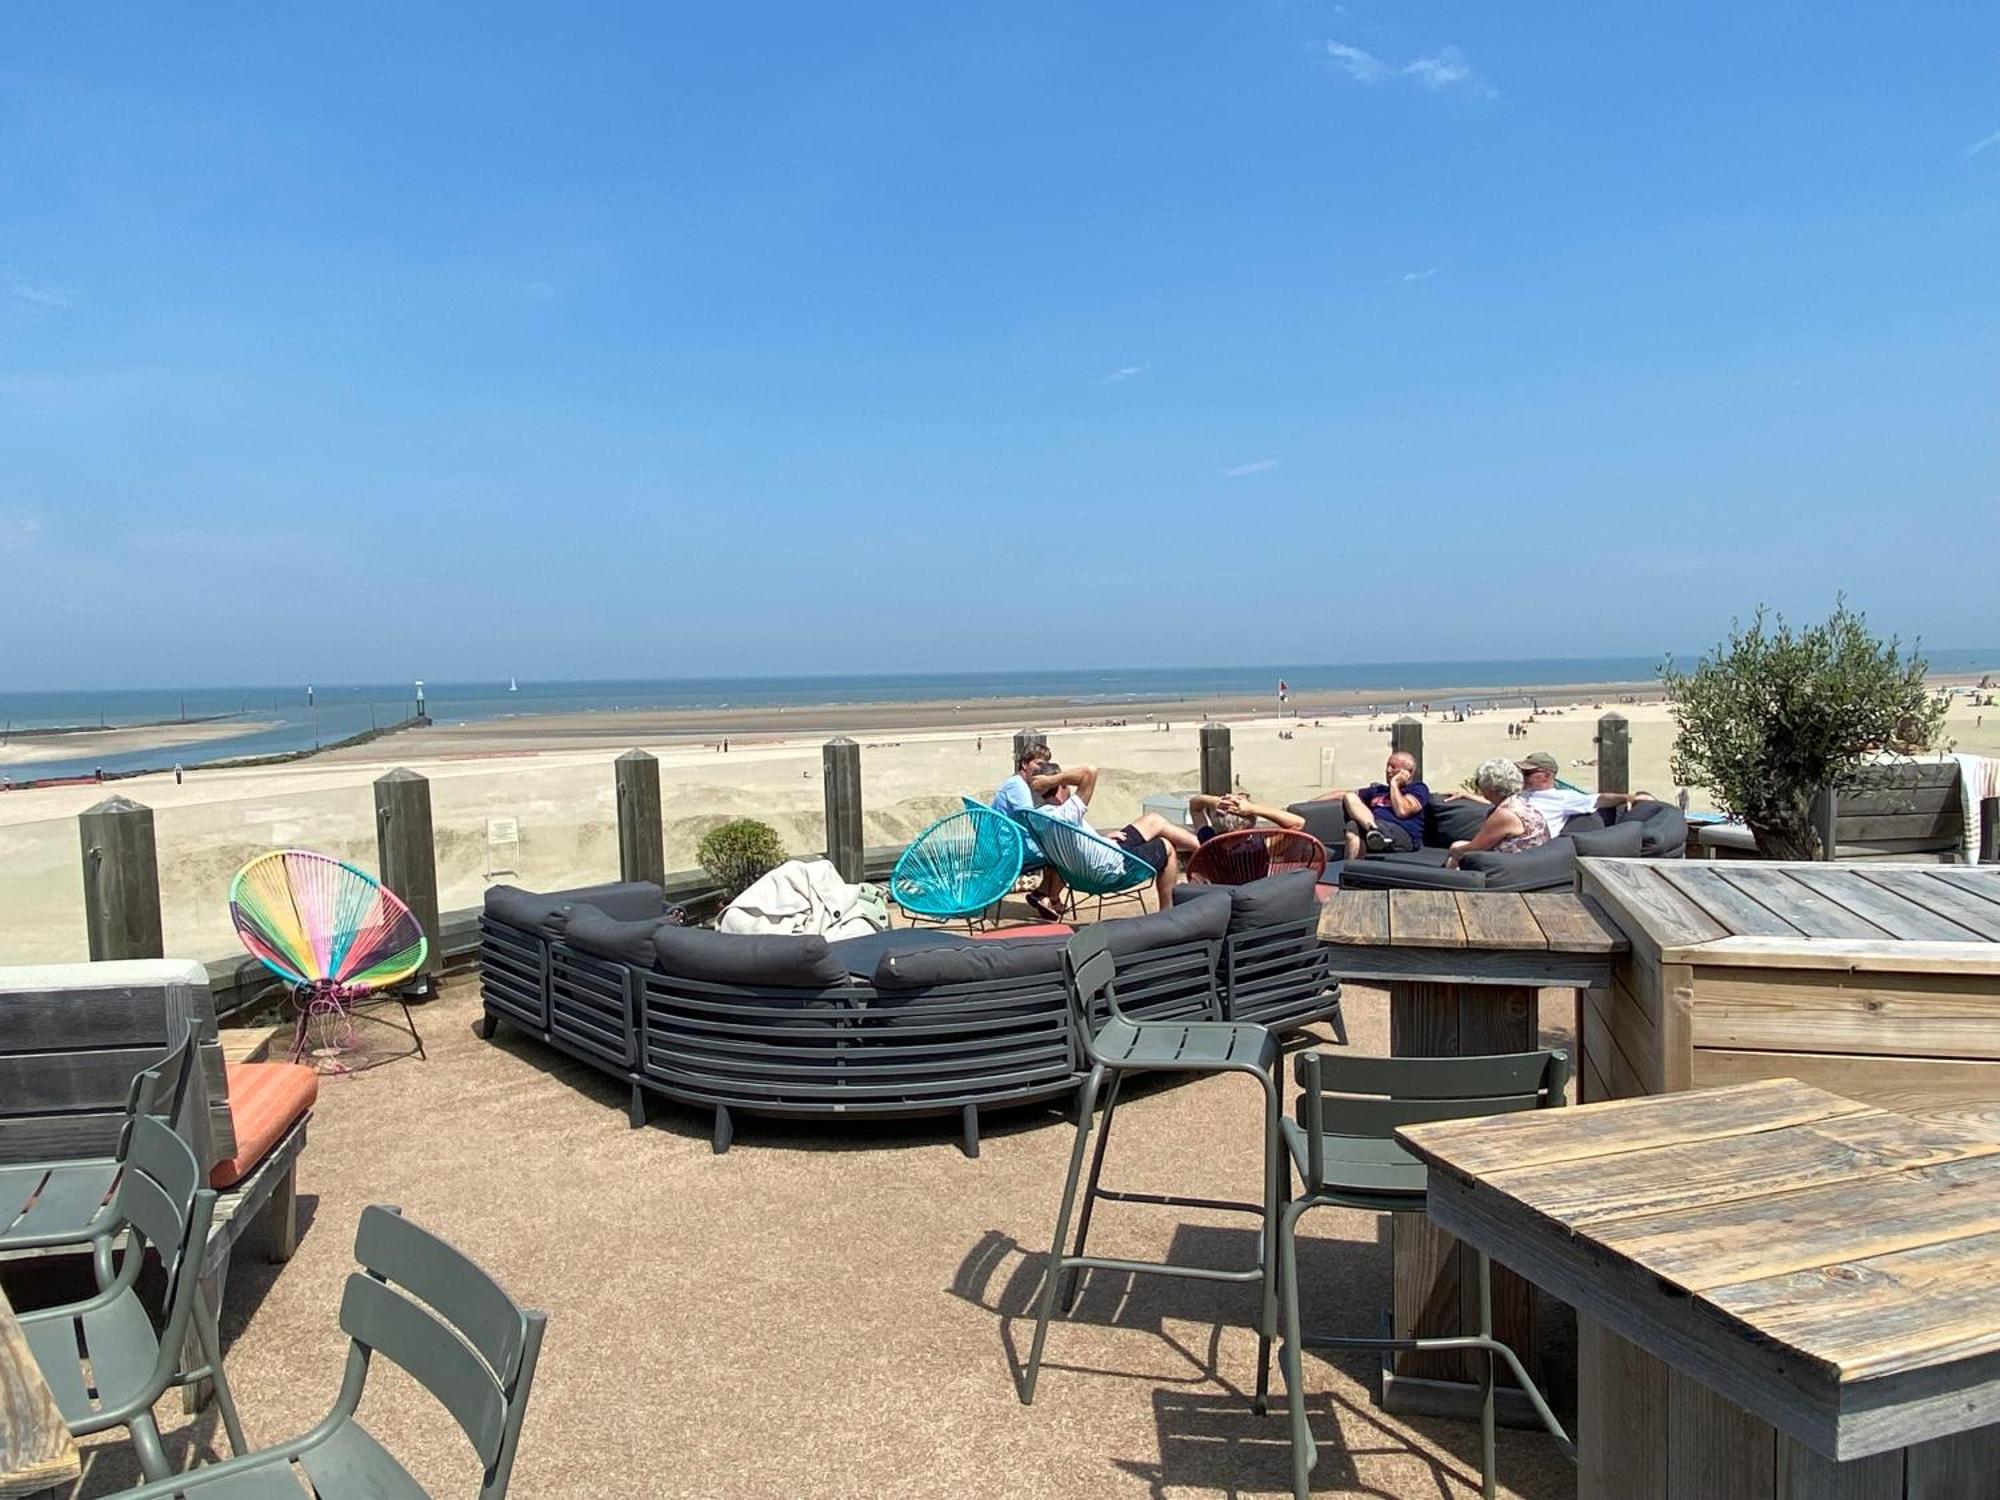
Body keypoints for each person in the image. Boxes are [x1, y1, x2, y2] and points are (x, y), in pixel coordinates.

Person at [1034, 764, 1194, 910]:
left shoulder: (1036, 818)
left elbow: (1074, 842)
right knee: (1166, 847)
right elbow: (1090, 771)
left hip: (1085, 870)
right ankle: (1168, 913)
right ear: (1062, 785)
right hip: (1110, 869)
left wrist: (1102, 839)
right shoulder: (1066, 814)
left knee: (1153, 820)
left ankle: (1203, 847)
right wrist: (1049, 780)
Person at [993, 740, 1078, 920]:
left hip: (1008, 844)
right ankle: (1048, 896)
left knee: (1057, 845)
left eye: (1045, 765)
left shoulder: (1015, 784)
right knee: (1065, 850)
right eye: (1038, 764)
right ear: (1024, 763)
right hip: (1011, 850)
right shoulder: (1018, 786)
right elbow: (1031, 819)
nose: (1042, 769)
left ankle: (1045, 895)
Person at [1311, 750, 1429, 861]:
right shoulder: (1378, 790)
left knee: (1357, 828)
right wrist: (1308, 804)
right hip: (1376, 828)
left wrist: (1394, 784)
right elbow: (1342, 794)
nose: (1388, 770)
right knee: (1351, 814)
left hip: (1403, 834)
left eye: (1393, 767)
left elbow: (1402, 811)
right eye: (1387, 766)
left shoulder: (1418, 789)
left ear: (1407, 772)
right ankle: (1352, 869)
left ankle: (1374, 833)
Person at [1445, 758, 1551, 868]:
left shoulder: (1504, 815)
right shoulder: (1521, 804)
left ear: (1489, 788)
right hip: (1532, 862)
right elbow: (1490, 802)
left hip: (1509, 867)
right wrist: (1466, 795)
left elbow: (1475, 848)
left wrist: (1454, 849)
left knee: (1457, 850)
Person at [1515, 751, 1649, 834]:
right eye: (1522, 772)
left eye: (1527, 773)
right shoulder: (1519, 792)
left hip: (1529, 841)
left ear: (1546, 776)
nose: (1522, 776)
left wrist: (1629, 797)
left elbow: (1599, 799)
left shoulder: (1562, 798)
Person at [1188, 792, 1306, 841]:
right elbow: (1298, 823)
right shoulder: (1260, 846)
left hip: (1221, 891)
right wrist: (1253, 808)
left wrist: (1214, 801)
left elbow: (1195, 806)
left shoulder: (1208, 841)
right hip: (1256, 892)